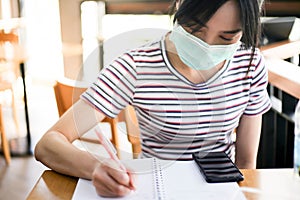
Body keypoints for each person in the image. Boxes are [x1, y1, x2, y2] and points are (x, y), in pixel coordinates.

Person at [35, 0, 271, 197]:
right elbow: (48, 144)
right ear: (179, 6)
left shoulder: (249, 64)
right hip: (154, 190)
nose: (206, 46)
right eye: (195, 30)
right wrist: (96, 167)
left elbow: (246, 162)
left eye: (226, 38)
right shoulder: (136, 67)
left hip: (221, 189)